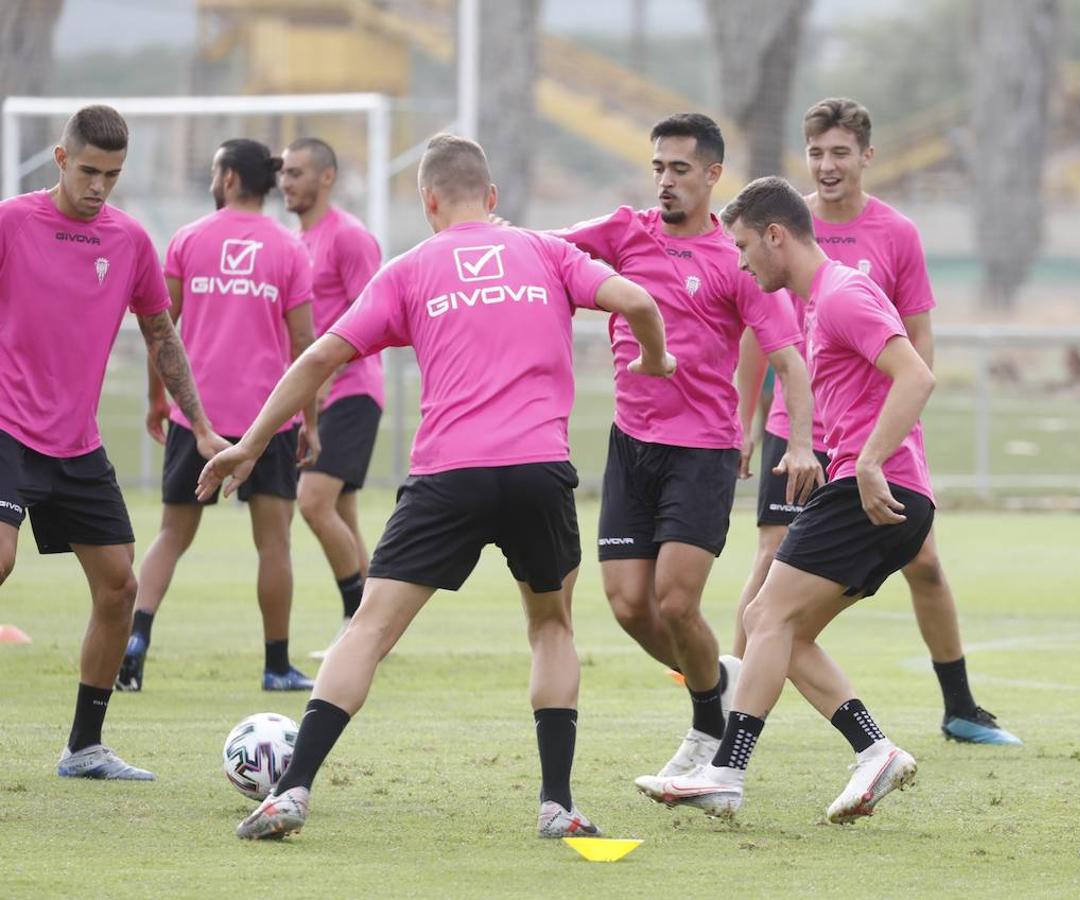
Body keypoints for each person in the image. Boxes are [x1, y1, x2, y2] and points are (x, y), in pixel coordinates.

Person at [204, 133, 674, 840]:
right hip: (538, 472)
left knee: (369, 629)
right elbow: (636, 299)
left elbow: (319, 356)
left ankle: (292, 792)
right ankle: (556, 804)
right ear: (491, 198)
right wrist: (655, 359)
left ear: (428, 201)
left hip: (448, 475)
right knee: (550, 625)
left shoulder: (411, 267)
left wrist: (249, 442)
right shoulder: (544, 250)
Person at [635, 176, 934, 823]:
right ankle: (874, 751)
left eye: (743, 246)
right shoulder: (819, 302)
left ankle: (726, 771)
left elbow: (916, 373)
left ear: (776, 236)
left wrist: (873, 463)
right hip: (865, 485)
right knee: (786, 635)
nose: (739, 262)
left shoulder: (844, 295)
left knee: (767, 613)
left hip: (869, 487)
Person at [734, 97, 1018, 745]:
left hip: (870, 434)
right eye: (816, 153)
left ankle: (961, 707)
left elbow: (917, 343)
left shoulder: (895, 234)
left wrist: (900, 427)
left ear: (867, 156)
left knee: (924, 563)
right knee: (773, 564)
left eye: (840, 152)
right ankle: (740, 705)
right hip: (796, 426)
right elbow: (762, 331)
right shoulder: (778, 225)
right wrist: (748, 418)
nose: (827, 165)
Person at [553, 114, 820, 781]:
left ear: (711, 176)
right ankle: (716, 685)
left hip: (702, 451)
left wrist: (802, 444)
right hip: (630, 446)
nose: (665, 181)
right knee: (627, 605)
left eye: (679, 169)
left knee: (676, 602)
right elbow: (545, 255)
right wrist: (483, 238)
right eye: (658, 168)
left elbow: (791, 360)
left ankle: (707, 726)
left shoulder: (736, 260)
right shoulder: (624, 231)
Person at [0, 105, 225, 779]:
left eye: (114, 175)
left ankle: (84, 748)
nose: (100, 186)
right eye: (90, 171)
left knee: (120, 586)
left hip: (75, 442)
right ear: (62, 160)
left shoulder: (129, 240)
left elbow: (161, 334)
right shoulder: (11, 222)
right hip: (7, 427)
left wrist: (204, 426)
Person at [115, 139, 318, 693]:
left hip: (195, 418)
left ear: (228, 179)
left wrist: (160, 398)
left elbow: (161, 328)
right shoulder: (289, 248)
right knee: (274, 543)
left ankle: (135, 643)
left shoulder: (188, 239)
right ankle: (277, 666)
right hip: (267, 422)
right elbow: (307, 346)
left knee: (171, 535)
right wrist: (311, 422)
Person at [279, 137, 385, 656]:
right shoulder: (292, 241)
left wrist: (320, 385)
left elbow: (374, 319)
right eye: (282, 172)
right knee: (341, 513)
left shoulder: (350, 238)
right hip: (314, 396)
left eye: (296, 172)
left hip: (352, 390)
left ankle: (354, 620)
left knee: (312, 502)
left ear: (326, 177)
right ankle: (371, 632)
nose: (285, 181)